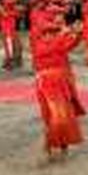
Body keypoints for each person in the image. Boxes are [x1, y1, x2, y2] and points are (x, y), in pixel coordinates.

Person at [32, 15, 84, 161]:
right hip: (46, 85)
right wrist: (65, 33)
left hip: (59, 84)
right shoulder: (39, 46)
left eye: (52, 33)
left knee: (63, 115)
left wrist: (78, 34)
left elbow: (71, 44)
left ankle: (61, 145)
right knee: (54, 115)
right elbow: (55, 46)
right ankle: (50, 144)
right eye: (46, 33)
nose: (49, 36)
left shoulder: (58, 44)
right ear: (42, 35)